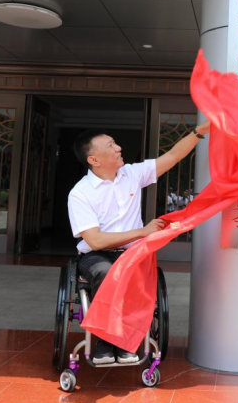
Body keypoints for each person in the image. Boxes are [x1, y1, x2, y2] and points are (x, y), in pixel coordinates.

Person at [68, 121, 209, 364]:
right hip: (97, 255)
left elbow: (173, 156)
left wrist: (199, 132)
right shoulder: (80, 193)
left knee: (135, 274)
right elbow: (96, 240)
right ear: (94, 160)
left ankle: (124, 340)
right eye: (110, 146)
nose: (118, 148)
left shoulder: (132, 174)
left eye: (115, 143)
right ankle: (106, 341)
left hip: (134, 253)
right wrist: (142, 232)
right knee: (107, 272)